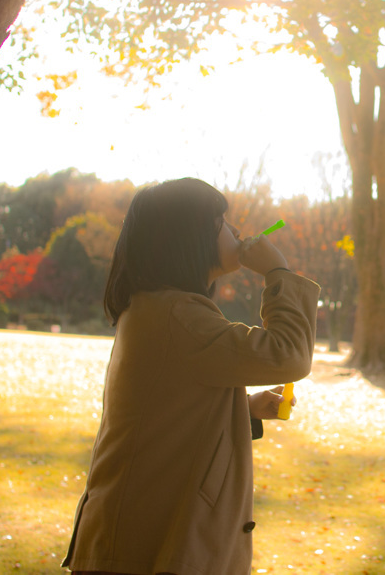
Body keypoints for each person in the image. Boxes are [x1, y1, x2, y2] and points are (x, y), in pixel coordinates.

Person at [62, 178, 320, 575]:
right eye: (220, 220)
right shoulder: (179, 316)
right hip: (140, 548)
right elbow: (289, 355)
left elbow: (164, 411)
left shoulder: (158, 308)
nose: (235, 230)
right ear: (188, 237)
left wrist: (243, 409)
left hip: (134, 539)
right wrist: (277, 271)